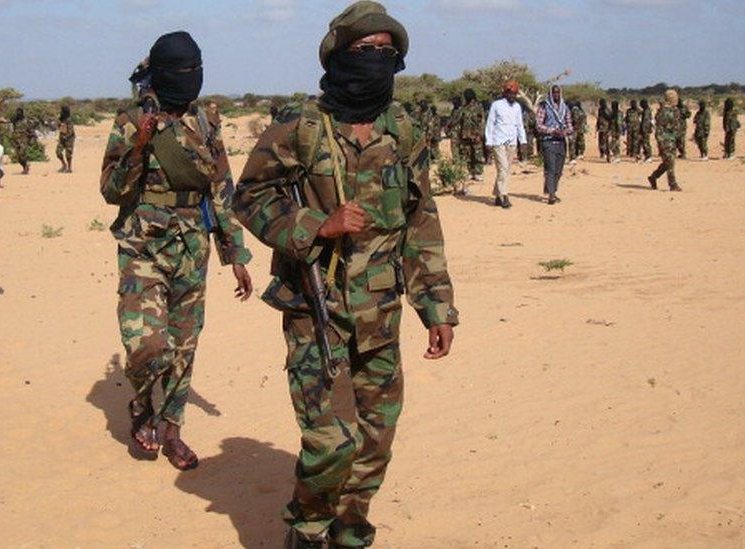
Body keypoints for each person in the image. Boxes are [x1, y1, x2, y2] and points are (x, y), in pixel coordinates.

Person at [234, 3, 458, 546]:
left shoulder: (403, 132)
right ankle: (308, 529)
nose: (376, 61)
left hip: (380, 311)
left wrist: (436, 306)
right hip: (316, 310)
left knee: (377, 438)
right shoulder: (298, 130)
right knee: (330, 440)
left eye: (387, 52)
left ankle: (350, 529)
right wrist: (315, 223)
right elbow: (250, 197)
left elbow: (420, 221)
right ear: (337, 56)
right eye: (364, 51)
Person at [100, 31, 254, 471]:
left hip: (192, 245)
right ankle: (142, 405)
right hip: (143, 245)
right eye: (181, 70)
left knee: (184, 344)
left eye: (195, 68)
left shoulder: (206, 119)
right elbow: (111, 190)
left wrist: (235, 253)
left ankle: (172, 432)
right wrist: (138, 147)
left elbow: (221, 188)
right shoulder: (130, 119)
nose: (190, 78)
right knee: (146, 344)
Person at [484, 80, 527, 209]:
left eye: (514, 93)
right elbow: (490, 124)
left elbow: (520, 125)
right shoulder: (496, 105)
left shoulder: (517, 107)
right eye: (510, 93)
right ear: (505, 93)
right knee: (502, 169)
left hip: (512, 142)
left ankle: (497, 195)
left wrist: (523, 141)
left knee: (506, 170)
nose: (512, 96)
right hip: (498, 142)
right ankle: (504, 196)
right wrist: (488, 141)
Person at [536, 85, 573, 205]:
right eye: (554, 93)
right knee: (550, 168)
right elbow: (539, 125)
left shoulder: (565, 108)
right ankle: (551, 195)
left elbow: (570, 125)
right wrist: (552, 131)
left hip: (561, 142)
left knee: (559, 170)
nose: (556, 95)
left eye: (557, 93)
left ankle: (553, 190)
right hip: (548, 141)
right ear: (550, 94)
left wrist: (565, 132)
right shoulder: (544, 107)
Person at [647, 89, 682, 192]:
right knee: (670, 162)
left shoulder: (671, 110)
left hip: (670, 139)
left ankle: (653, 177)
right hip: (665, 140)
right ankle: (673, 184)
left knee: (668, 162)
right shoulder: (665, 111)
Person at [459, 89, 486, 183]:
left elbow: (482, 122)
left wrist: (480, 134)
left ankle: (478, 172)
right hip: (466, 135)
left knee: (477, 153)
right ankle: (470, 172)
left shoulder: (478, 107)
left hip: (476, 135)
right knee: (468, 154)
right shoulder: (464, 108)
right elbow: (461, 122)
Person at [10, 107, 39, 175]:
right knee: (19, 157)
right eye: (17, 112)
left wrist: (32, 138)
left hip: (24, 140)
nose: (18, 114)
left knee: (22, 153)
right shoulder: (15, 121)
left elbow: (33, 127)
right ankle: (25, 167)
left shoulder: (26, 121)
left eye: (19, 112)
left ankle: (26, 167)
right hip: (16, 140)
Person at [56, 105, 75, 172]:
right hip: (61, 138)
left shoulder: (69, 120)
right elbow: (58, 126)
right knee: (58, 152)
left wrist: (66, 136)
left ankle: (69, 168)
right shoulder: (60, 119)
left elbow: (71, 130)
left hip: (69, 139)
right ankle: (64, 164)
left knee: (68, 154)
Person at [447, 95, 463, 162]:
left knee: (460, 145)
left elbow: (458, 119)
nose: (453, 103)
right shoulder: (454, 110)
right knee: (453, 145)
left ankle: (461, 158)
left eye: (455, 101)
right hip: (454, 130)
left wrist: (451, 124)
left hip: (460, 129)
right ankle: (456, 158)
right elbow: (451, 118)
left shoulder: (461, 110)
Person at [639, 98, 654, 162]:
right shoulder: (646, 110)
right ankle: (647, 155)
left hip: (645, 129)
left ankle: (648, 156)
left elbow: (646, 121)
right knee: (645, 142)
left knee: (646, 143)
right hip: (646, 129)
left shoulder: (646, 111)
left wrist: (642, 129)